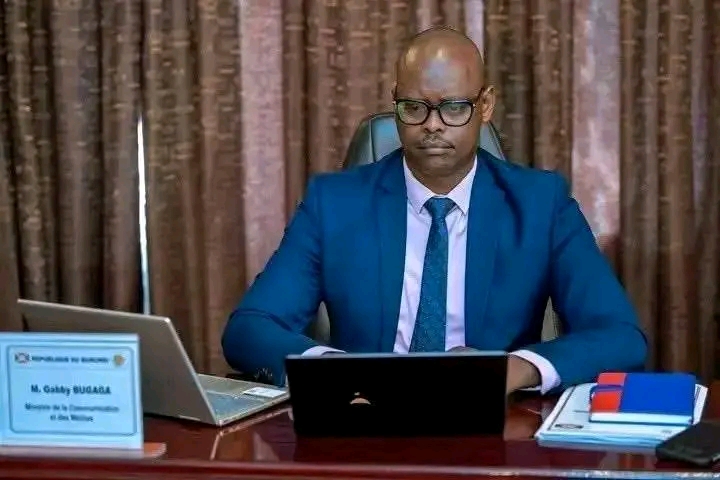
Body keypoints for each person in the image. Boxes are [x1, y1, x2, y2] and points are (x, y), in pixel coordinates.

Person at [222, 26, 647, 393]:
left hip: (491, 421)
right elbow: (250, 328)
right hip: (364, 415)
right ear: (396, 104)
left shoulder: (540, 204)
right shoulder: (333, 204)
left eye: (454, 107)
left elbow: (619, 335)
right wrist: (335, 369)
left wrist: (513, 369)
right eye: (414, 107)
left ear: (485, 105)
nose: (432, 124)